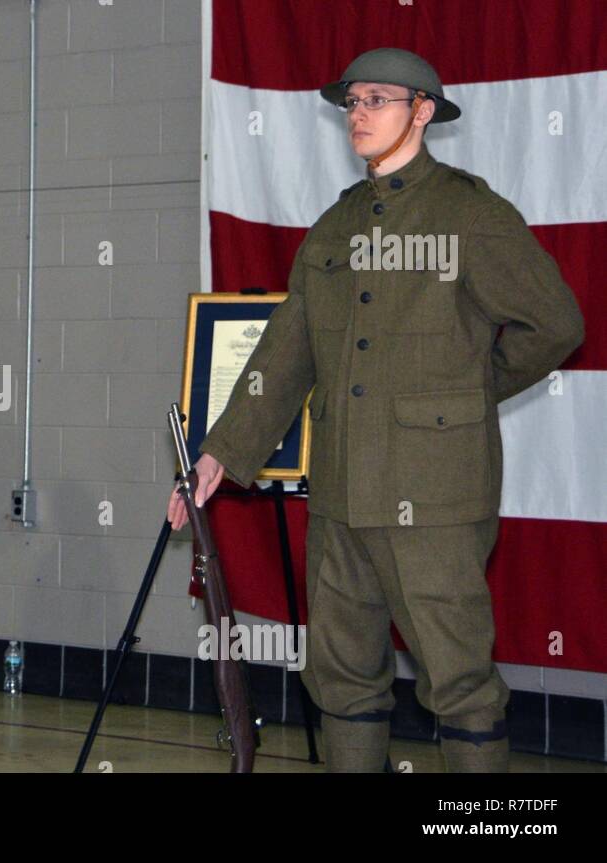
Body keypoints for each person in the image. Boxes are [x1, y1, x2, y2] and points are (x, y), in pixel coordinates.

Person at [168, 48, 584, 772]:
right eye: (353, 101)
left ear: (423, 111)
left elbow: (556, 324)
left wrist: (459, 394)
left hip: (434, 494)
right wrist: (218, 454)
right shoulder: (335, 225)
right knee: (342, 676)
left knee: (458, 683)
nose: (358, 113)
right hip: (339, 495)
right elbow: (285, 353)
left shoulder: (469, 213)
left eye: (378, 100)